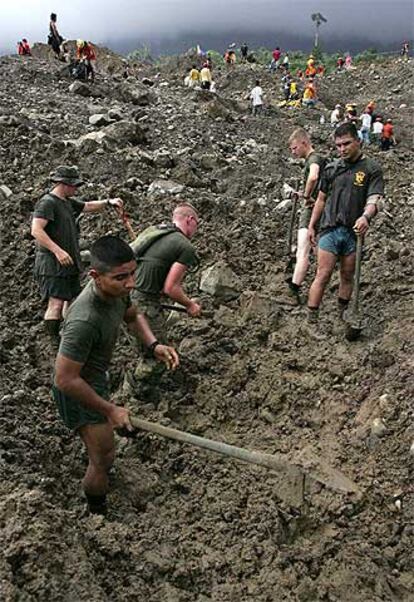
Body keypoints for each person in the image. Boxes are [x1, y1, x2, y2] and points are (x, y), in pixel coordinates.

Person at [53, 235, 179, 515]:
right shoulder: (83, 320)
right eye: (122, 277)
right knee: (104, 457)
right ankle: (96, 514)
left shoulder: (118, 291)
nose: (131, 283)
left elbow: (133, 316)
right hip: (78, 389)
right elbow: (64, 379)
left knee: (103, 443)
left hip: (95, 379)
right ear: (95, 276)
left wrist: (153, 344)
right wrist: (110, 410)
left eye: (133, 273)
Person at [31, 165, 124, 350]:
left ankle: (68, 337)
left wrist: (108, 202)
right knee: (56, 302)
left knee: (70, 301)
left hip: (68, 262)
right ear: (64, 184)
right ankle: (54, 344)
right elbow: (36, 230)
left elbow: (87, 206)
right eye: (74, 186)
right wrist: (57, 251)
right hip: (52, 263)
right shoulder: (47, 203)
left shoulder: (66, 201)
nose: (76, 189)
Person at [306, 122, 384, 325]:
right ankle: (311, 320)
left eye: (346, 143)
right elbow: (321, 199)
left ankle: (342, 316)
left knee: (347, 275)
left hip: (353, 232)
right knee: (322, 274)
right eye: (338, 145)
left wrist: (366, 216)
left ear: (358, 141)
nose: (342, 149)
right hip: (330, 229)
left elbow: (374, 198)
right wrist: (312, 225)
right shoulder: (332, 168)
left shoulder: (371, 169)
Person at [128, 204, 201, 399]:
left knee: (147, 349)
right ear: (189, 220)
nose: (196, 231)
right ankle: (137, 397)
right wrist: (190, 305)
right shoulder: (185, 246)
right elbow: (171, 288)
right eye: (197, 225)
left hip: (126, 296)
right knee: (157, 356)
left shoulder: (156, 232)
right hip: (143, 305)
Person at [287, 129, 325, 303]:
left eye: (295, 148)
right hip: (318, 207)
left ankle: (294, 289)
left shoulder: (314, 159)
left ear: (304, 143)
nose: (293, 152)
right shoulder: (313, 159)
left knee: (303, 249)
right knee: (309, 248)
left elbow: (314, 176)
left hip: (311, 209)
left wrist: (307, 196)